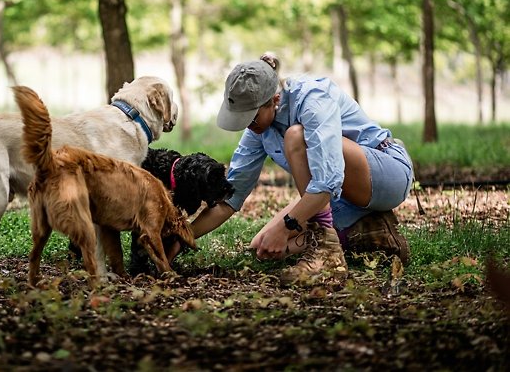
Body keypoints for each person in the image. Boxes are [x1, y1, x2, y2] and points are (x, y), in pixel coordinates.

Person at [171, 52, 413, 285]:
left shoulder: (312, 98)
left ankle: (329, 255)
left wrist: (285, 225)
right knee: (263, 246)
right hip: (342, 195)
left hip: (385, 174)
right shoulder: (259, 129)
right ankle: (369, 231)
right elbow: (229, 198)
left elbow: (328, 180)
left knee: (295, 135)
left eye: (251, 117)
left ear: (274, 100)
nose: (248, 125)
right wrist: (181, 238)